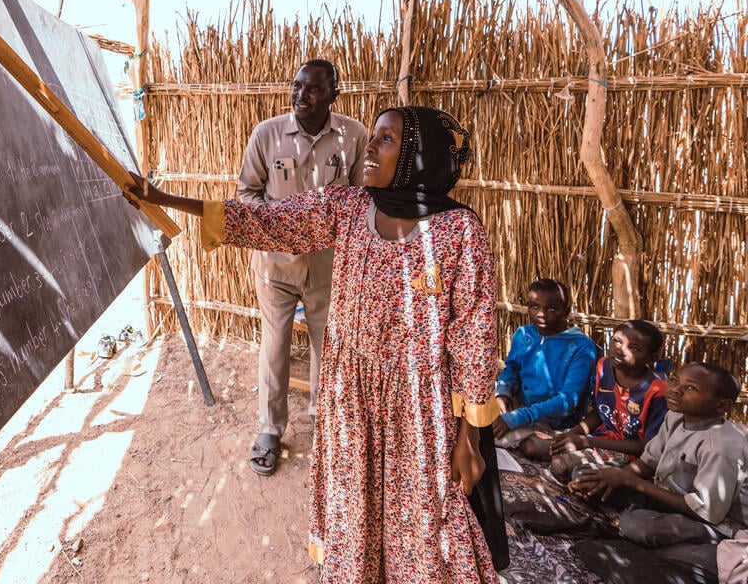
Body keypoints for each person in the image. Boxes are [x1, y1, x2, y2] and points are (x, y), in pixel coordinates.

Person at [128, 105, 502, 584]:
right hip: (349, 397)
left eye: (386, 139)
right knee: (356, 502)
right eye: (374, 136)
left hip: (418, 407)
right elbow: (267, 221)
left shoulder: (458, 231)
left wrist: (469, 438)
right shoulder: (347, 208)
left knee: (424, 518)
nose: (368, 147)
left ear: (415, 155)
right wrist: (166, 198)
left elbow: (473, 335)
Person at [236, 59, 367, 476]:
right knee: (274, 345)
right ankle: (271, 430)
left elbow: (364, 200)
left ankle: (323, 421)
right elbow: (247, 193)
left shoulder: (354, 136)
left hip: (329, 267)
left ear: (333, 94)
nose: (301, 96)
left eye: (313, 89)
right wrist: (277, 229)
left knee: (327, 346)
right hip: (276, 266)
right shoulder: (268, 134)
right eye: (297, 87)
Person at [571, 362, 748, 584]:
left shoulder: (721, 446)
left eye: (691, 388)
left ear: (722, 405)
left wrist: (630, 481)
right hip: (668, 495)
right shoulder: (675, 417)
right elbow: (648, 462)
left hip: (716, 523)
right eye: (674, 380)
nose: (675, 389)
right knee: (585, 475)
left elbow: (707, 512)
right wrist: (612, 479)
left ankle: (692, 545)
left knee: (638, 528)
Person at [547, 319, 669, 479]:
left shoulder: (658, 391)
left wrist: (586, 442)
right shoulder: (604, 366)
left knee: (567, 469)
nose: (619, 350)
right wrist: (573, 433)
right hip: (601, 437)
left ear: (651, 358)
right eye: (616, 341)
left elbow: (648, 447)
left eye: (634, 348)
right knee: (533, 446)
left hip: (630, 453)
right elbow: (600, 412)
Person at [492, 278, 598, 452]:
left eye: (552, 309)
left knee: (530, 448)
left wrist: (516, 418)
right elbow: (511, 369)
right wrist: (503, 394)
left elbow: (567, 401)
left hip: (556, 421)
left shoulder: (580, 347)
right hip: (521, 408)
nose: (541, 314)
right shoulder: (524, 334)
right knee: (474, 425)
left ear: (566, 311)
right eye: (535, 307)